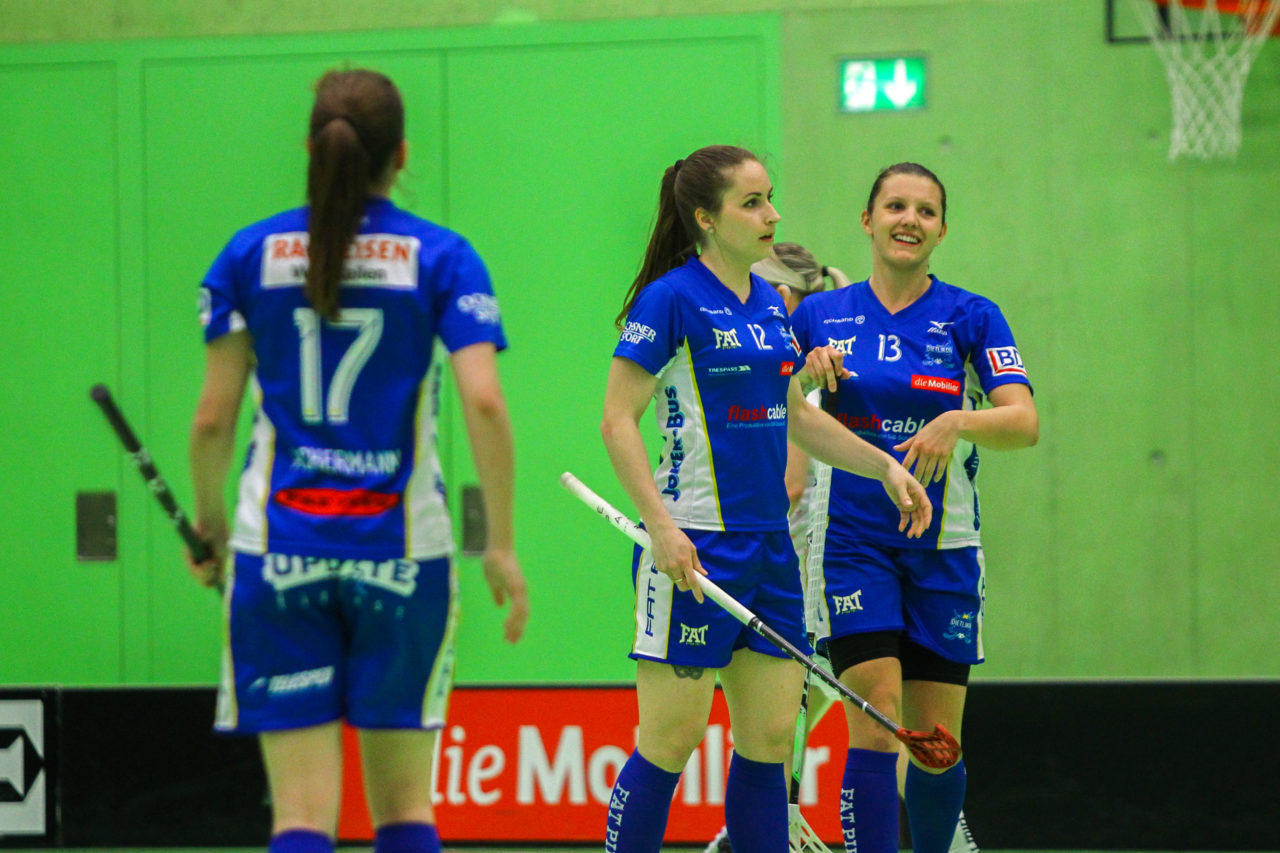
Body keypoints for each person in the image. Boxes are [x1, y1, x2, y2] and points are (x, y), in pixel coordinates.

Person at [186, 68, 529, 853]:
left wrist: (209, 527)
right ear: (402, 153)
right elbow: (484, 402)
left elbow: (212, 417)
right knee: (405, 809)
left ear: (309, 149)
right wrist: (500, 543)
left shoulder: (246, 255)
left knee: (302, 816)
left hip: (275, 551)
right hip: (403, 552)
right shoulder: (442, 257)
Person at [600, 146, 932, 853]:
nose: (772, 214)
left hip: (770, 551)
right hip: (693, 545)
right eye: (752, 202)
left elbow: (797, 415)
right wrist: (659, 527)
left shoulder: (768, 304)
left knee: (772, 738)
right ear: (705, 218)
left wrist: (884, 467)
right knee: (672, 738)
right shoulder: (672, 298)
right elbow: (616, 419)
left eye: (770, 197)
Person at [789, 163, 1038, 853]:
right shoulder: (818, 315)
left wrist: (960, 420)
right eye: (895, 206)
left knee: (934, 744)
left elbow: (1023, 420)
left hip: (945, 549)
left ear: (942, 229)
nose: (910, 220)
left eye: (926, 211)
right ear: (867, 220)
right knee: (874, 720)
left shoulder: (972, 315)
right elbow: (780, 411)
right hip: (851, 546)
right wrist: (803, 372)